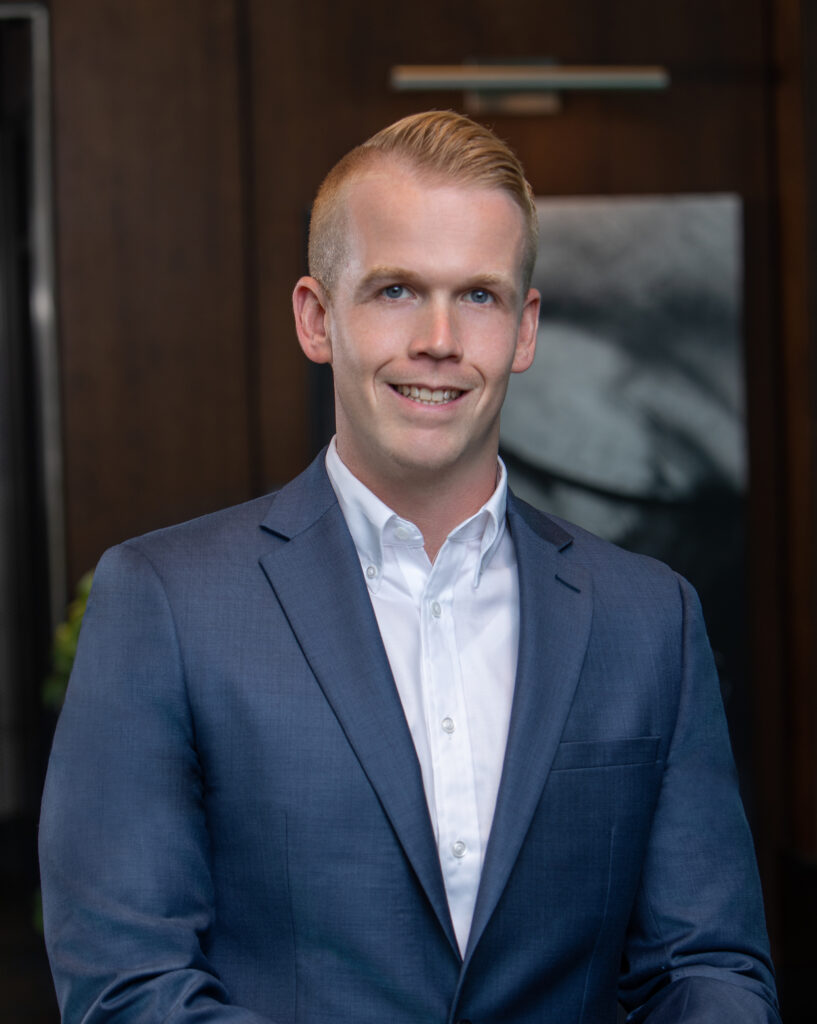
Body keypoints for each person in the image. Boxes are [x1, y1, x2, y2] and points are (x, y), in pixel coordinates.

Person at [39, 110, 780, 1023]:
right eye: (395, 290)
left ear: (524, 329)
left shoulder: (649, 618)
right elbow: (128, 989)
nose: (438, 337)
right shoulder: (164, 602)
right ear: (316, 318)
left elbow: (707, 968)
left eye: (478, 296)